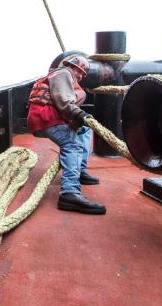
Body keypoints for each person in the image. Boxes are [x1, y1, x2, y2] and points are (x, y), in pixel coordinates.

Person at [27, 55, 106, 214]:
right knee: (72, 144)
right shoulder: (63, 73)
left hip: (47, 118)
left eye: (83, 75)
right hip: (45, 117)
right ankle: (69, 193)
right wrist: (80, 114)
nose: (81, 76)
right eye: (80, 72)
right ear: (72, 67)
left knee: (85, 131)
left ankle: (79, 170)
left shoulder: (64, 77)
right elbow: (63, 100)